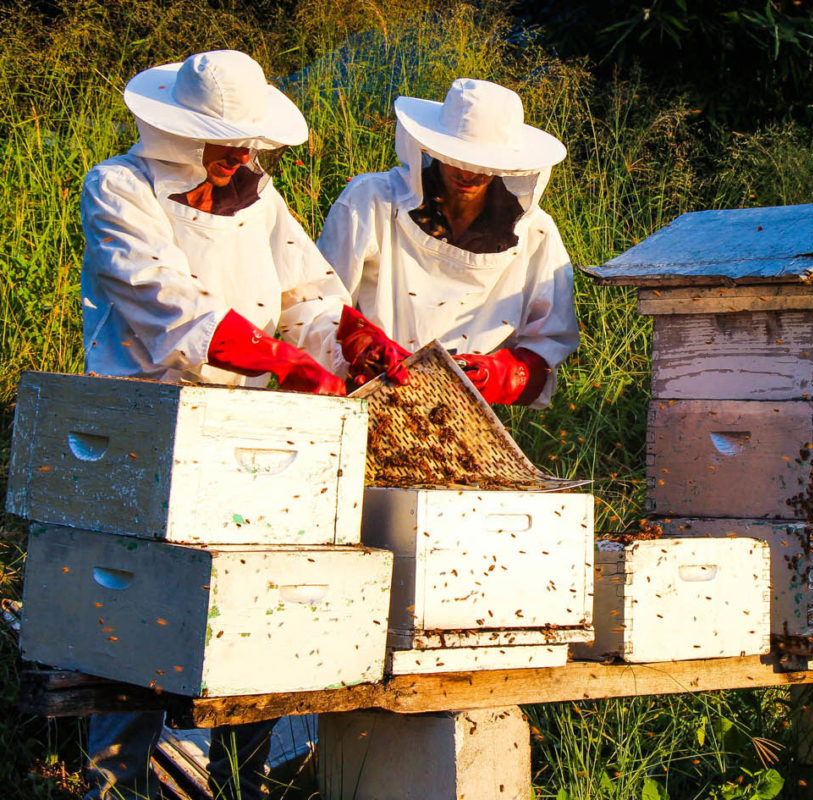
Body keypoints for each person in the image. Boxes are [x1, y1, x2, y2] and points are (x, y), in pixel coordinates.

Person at [79, 49, 362, 800]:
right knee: (137, 612)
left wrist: (354, 337)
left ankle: (250, 779)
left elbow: (307, 292)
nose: (239, 155)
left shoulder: (258, 198)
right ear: (175, 131)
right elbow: (167, 305)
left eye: (245, 140)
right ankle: (116, 785)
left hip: (256, 429)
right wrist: (289, 363)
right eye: (221, 139)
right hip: (150, 419)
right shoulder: (119, 187)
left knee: (257, 606)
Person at [317, 78, 579, 407]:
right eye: (458, 158)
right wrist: (359, 343)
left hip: (464, 413)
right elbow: (318, 300)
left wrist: (499, 374)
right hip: (365, 393)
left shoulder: (536, 232)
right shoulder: (371, 200)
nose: (468, 173)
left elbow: (551, 338)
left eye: (482, 165)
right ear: (433, 146)